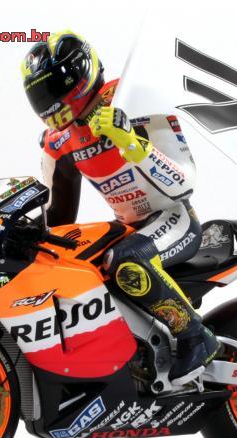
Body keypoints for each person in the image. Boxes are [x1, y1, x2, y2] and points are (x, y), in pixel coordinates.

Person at [20, 30, 220, 385]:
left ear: (80, 77)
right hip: (129, 227)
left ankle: (195, 336)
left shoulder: (135, 100)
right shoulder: (59, 141)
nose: (49, 102)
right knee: (74, 267)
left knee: (124, 260)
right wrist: (24, 234)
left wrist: (130, 142)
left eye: (54, 88)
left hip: (174, 218)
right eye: (40, 93)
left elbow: (185, 183)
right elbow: (58, 216)